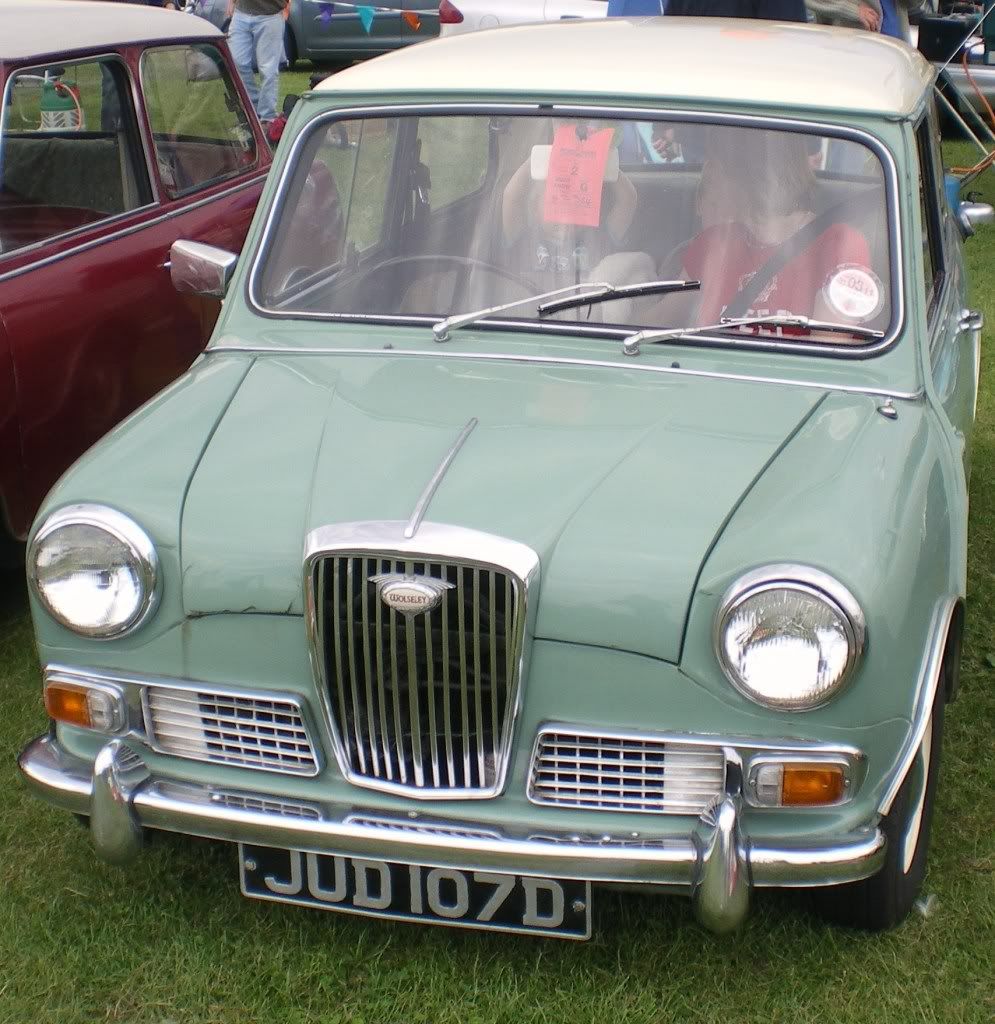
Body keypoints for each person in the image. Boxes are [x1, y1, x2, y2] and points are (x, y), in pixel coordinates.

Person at [661, 128, 874, 328]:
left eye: (716, 164)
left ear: (746, 176)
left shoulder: (839, 244)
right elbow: (658, 322)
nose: (707, 173)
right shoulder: (713, 242)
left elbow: (829, 354)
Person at [226, 0, 291, 125]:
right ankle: (253, 109)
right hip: (241, 13)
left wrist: (287, 8)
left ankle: (267, 117)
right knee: (236, 63)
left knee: (268, 70)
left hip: (270, 15)